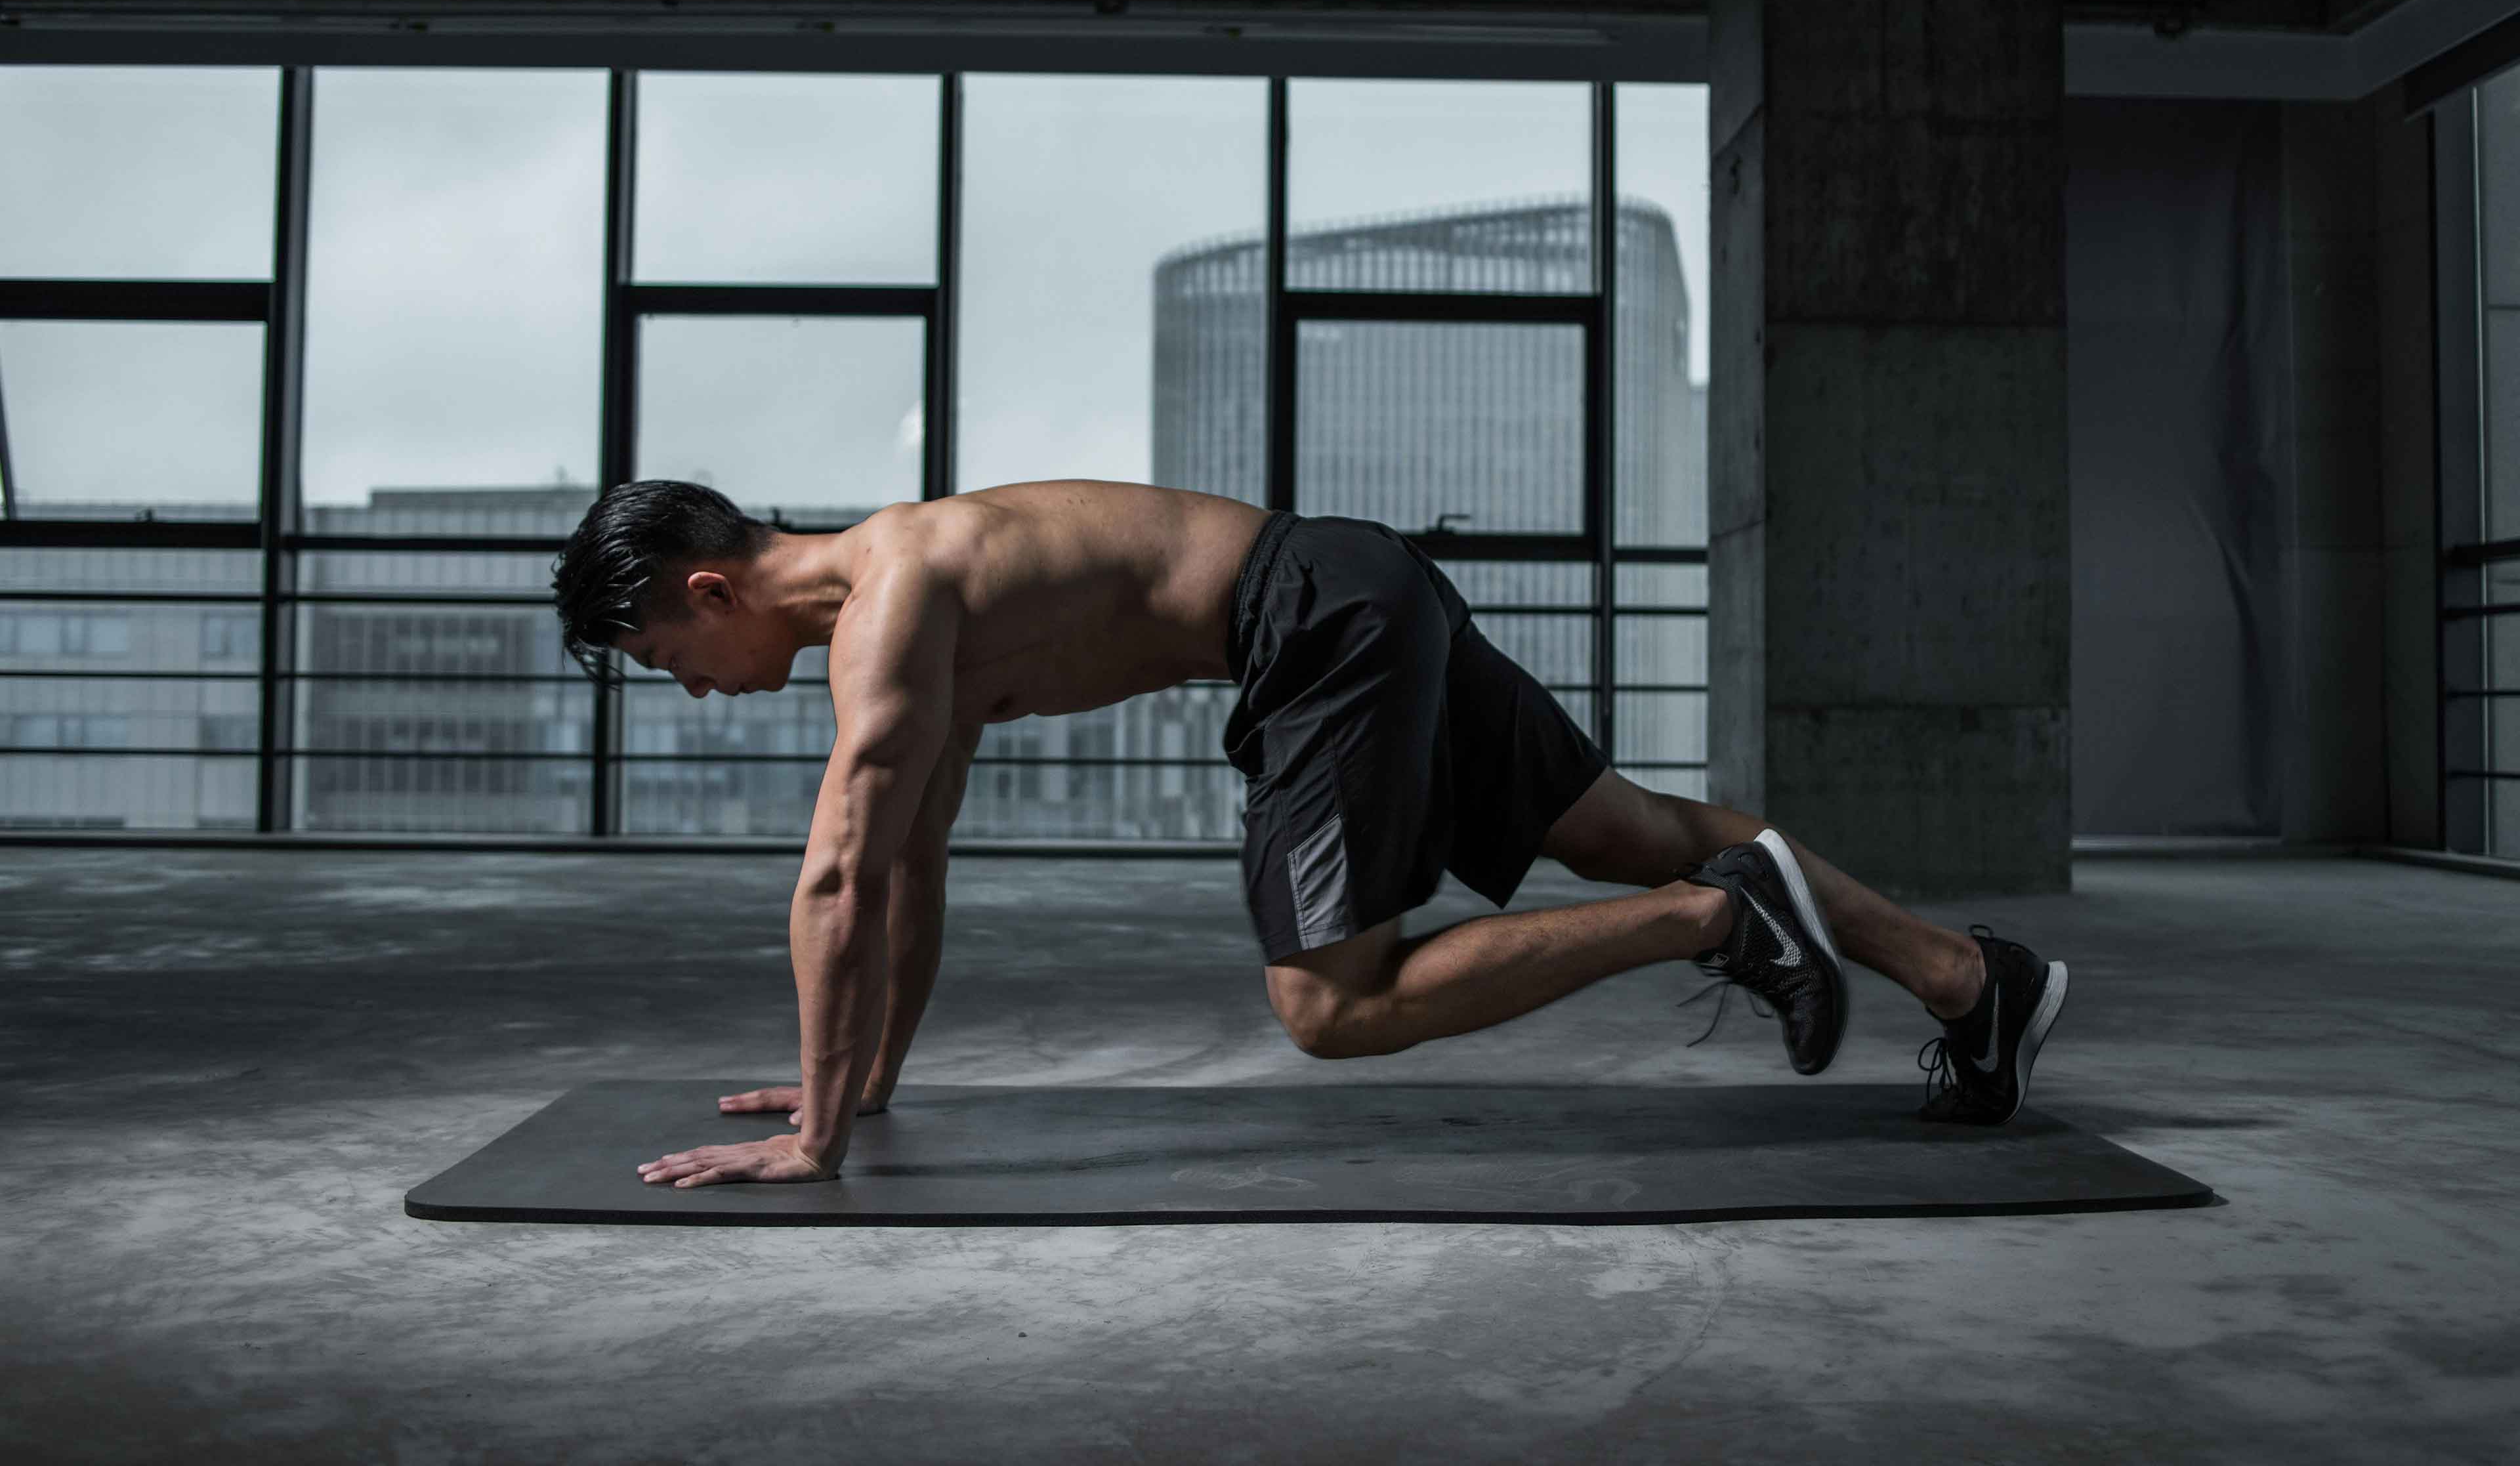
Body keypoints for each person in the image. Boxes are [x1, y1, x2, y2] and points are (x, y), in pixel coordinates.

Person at [548, 479, 2069, 1190]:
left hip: (1313, 621)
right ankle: (1969, 979)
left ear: (710, 591)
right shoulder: (906, 599)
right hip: (1352, 579)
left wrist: (816, 1143)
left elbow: (836, 875)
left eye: (668, 659)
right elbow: (907, 867)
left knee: (1334, 1004)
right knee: (1630, 826)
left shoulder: (891, 604)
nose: (690, 690)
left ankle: (1721, 917)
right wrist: (862, 1082)